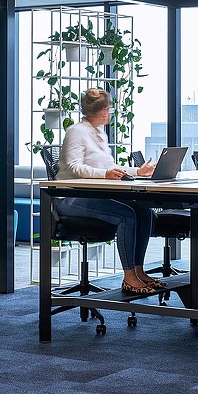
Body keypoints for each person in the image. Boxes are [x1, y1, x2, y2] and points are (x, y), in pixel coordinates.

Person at [54, 89, 162, 294]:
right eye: (106, 108)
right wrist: (105, 173)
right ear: (97, 111)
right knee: (127, 214)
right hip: (70, 196)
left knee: (143, 210)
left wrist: (138, 171)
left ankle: (138, 271)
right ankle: (129, 277)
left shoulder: (99, 133)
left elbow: (112, 168)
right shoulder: (77, 131)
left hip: (92, 195)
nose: (109, 112)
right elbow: (75, 167)